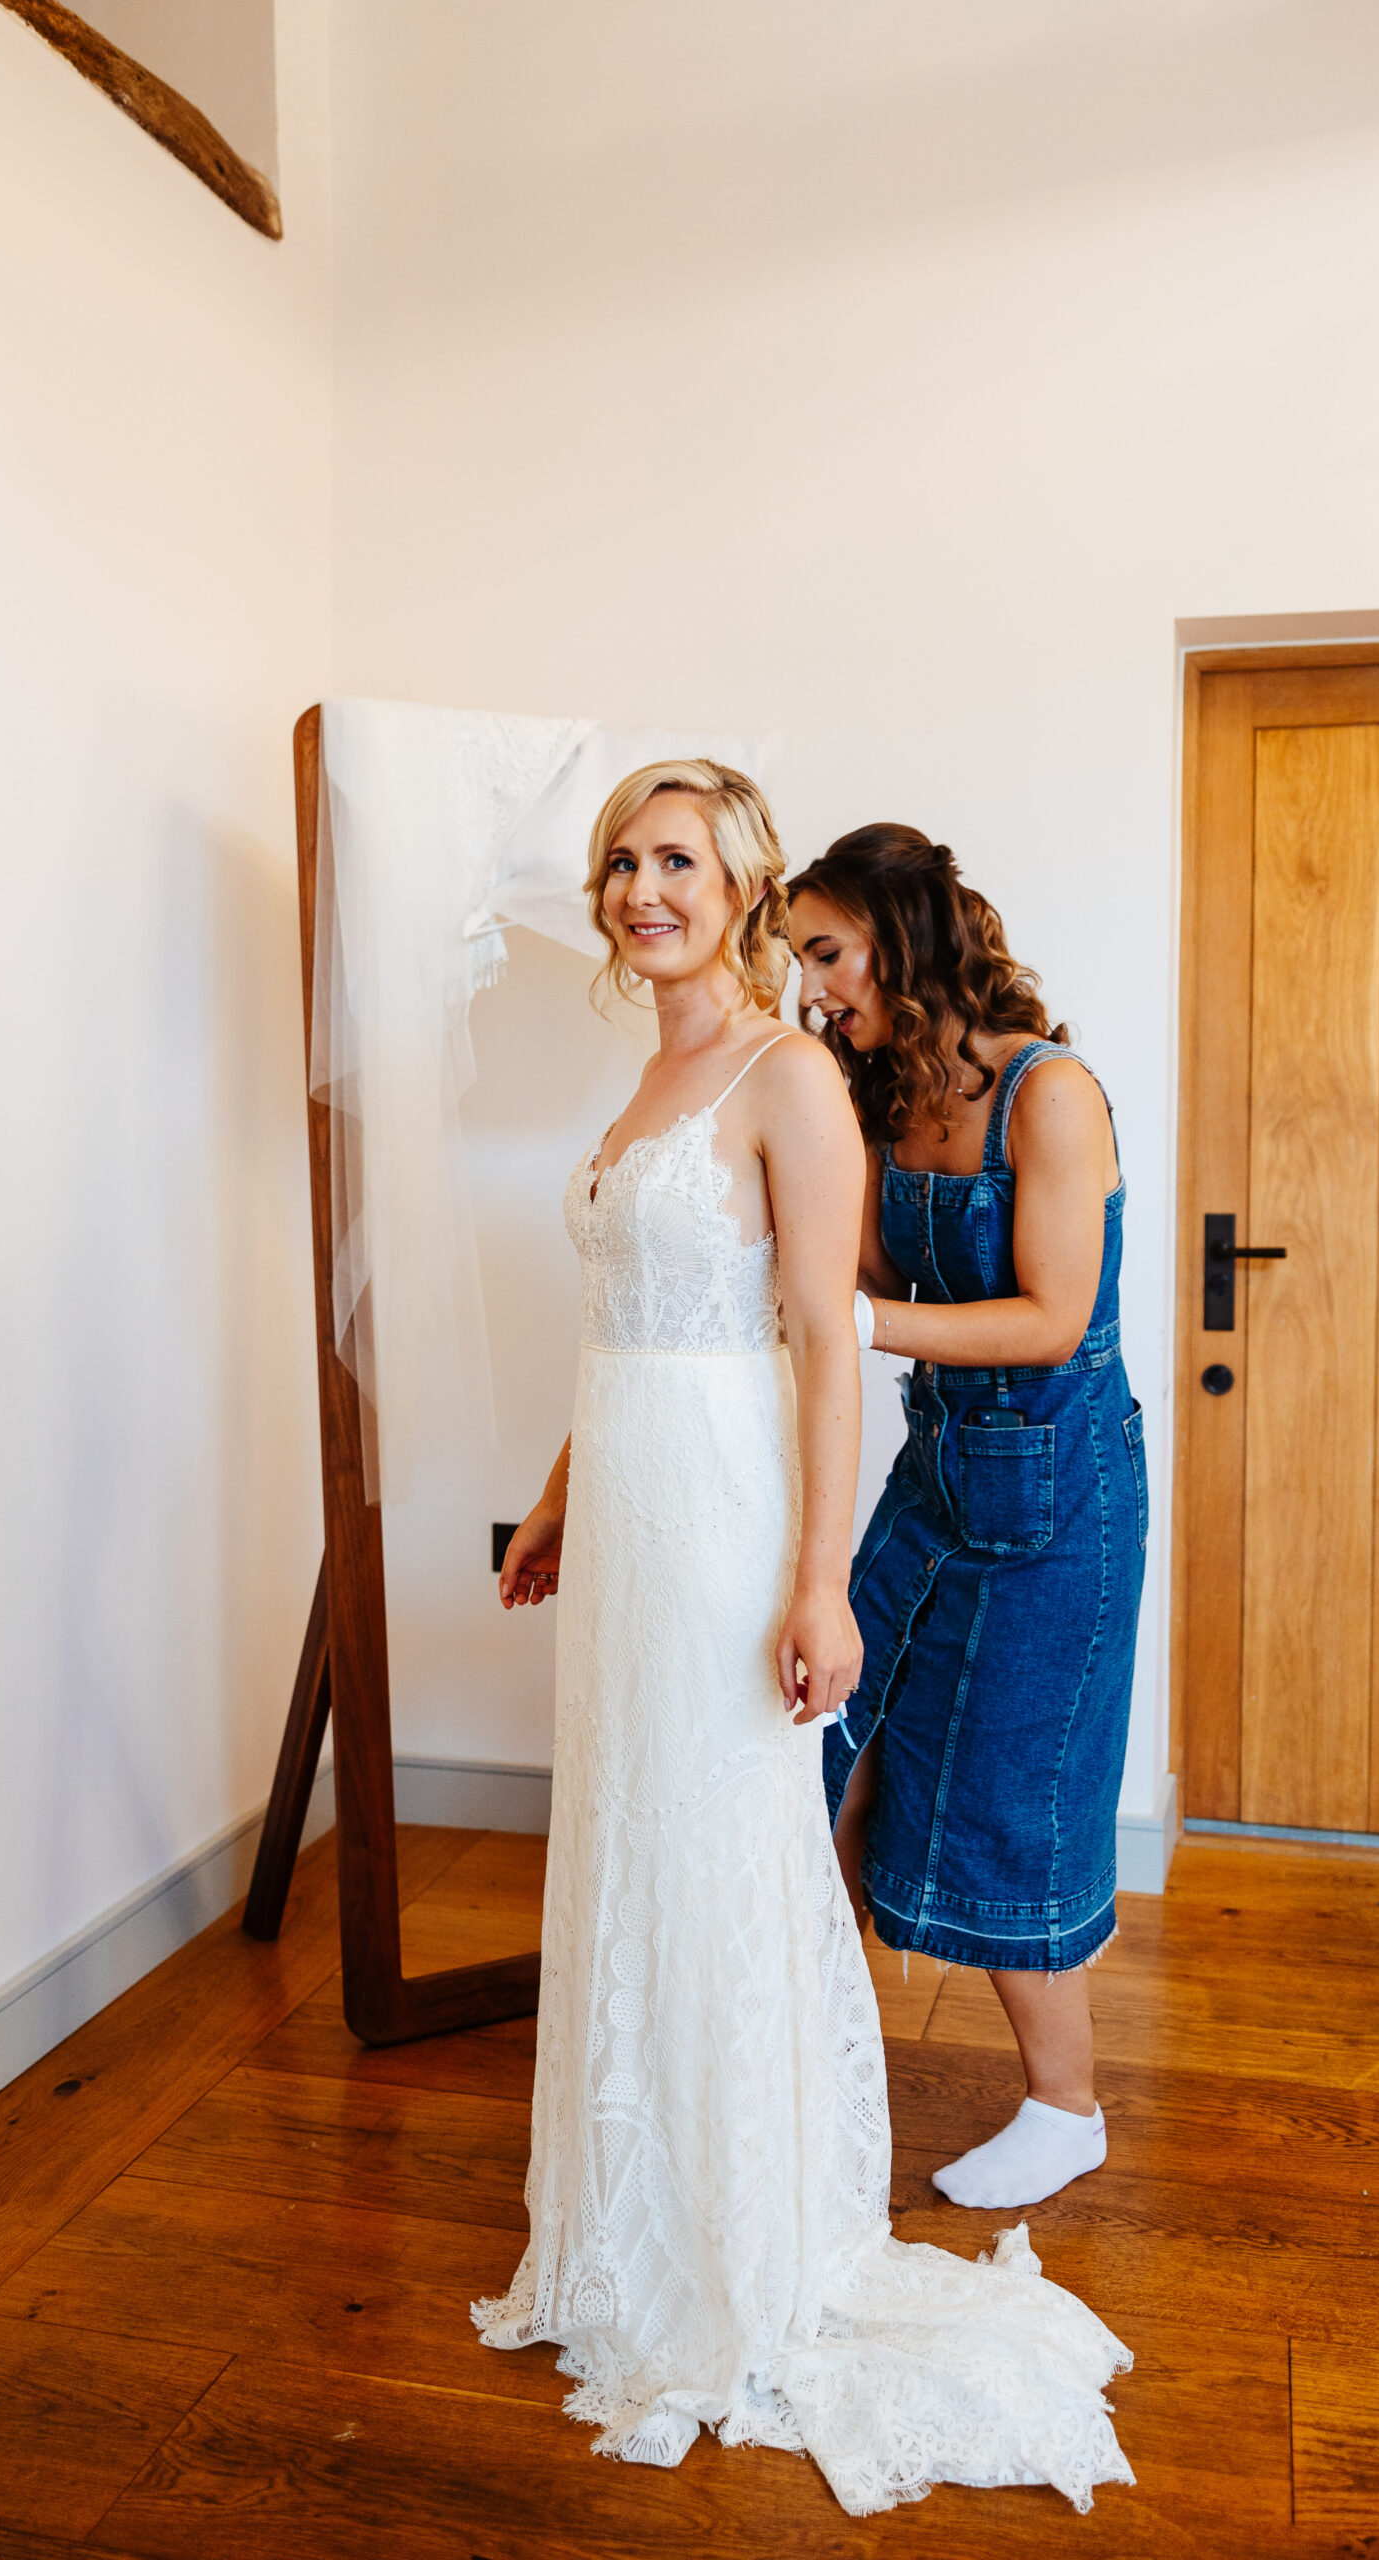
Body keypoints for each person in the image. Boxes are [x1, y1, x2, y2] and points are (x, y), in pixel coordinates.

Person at [478, 764, 1131, 2517]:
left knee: (730, 1833)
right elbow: (636, 1318)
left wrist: (821, 1578)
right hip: (628, 1500)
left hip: (732, 1514)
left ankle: (749, 2228)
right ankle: (637, 2208)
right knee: (632, 1834)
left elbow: (825, 1345)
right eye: (620, 859)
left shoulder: (789, 1076)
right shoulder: (653, 1078)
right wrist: (556, 1493)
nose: (638, 886)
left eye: (675, 858)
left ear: (744, 884)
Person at [787, 825, 1146, 2217]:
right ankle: (810, 2061)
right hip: (939, 1479)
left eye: (827, 953)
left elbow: (1053, 1319)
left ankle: (1067, 2110)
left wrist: (855, 1324)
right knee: (830, 1750)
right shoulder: (885, 1094)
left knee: (1012, 1794)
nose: (813, 985)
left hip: (1060, 1496)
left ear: (903, 937)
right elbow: (863, 1252)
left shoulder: (1049, 1095)